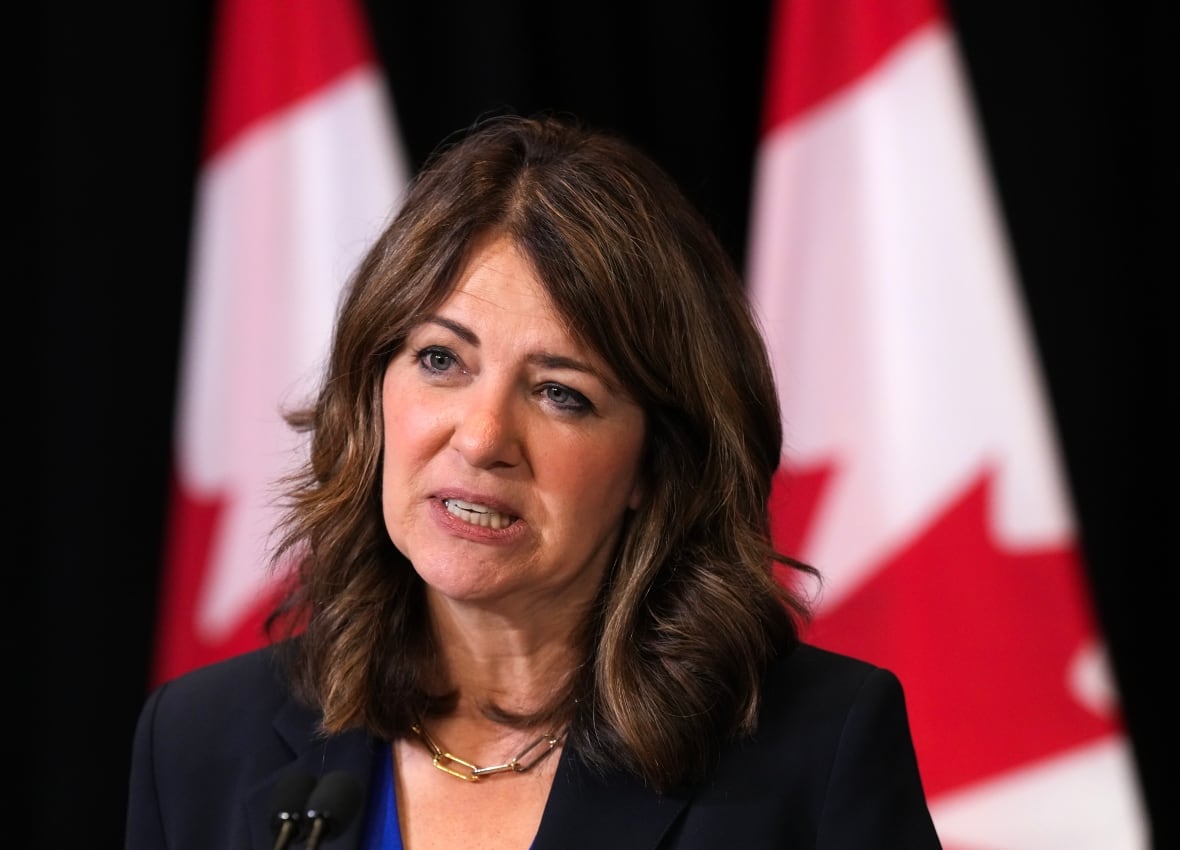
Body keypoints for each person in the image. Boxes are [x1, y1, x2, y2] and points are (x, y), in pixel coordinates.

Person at [125, 112, 942, 850]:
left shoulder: (815, 752)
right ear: (372, 395)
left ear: (655, 466)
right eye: (440, 360)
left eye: (562, 394)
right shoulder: (199, 743)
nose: (482, 439)